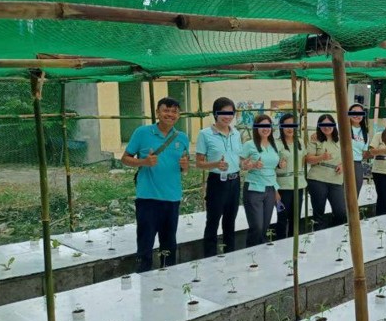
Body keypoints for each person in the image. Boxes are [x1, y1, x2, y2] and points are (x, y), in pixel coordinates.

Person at [120, 97, 190, 272]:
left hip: (172, 198)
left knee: (169, 245)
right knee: (145, 244)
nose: (170, 114)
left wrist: (185, 166)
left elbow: (184, 167)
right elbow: (125, 159)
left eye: (174, 111)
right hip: (148, 199)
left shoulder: (182, 138)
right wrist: (144, 162)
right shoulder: (142, 132)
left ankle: (169, 282)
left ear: (179, 115)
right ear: (158, 112)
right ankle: (144, 282)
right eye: (166, 110)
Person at [195, 97, 248, 257]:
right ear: (215, 114)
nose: (228, 117)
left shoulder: (236, 134)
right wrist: (215, 164)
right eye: (223, 113)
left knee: (230, 221)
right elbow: (199, 163)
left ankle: (229, 254)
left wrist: (246, 163)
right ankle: (209, 257)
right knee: (213, 221)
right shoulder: (205, 134)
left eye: (231, 113)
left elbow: (239, 158)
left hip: (234, 180)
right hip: (217, 182)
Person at [241, 114, 284, 247]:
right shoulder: (249, 144)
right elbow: (241, 164)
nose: (265, 129)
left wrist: (280, 164)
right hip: (254, 189)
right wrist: (252, 165)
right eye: (261, 126)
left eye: (268, 126)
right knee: (257, 227)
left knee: (265, 227)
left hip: (270, 190)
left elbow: (272, 168)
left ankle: (260, 257)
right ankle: (251, 254)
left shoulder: (274, 144)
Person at [306, 114, 346, 230]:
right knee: (319, 213)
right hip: (318, 179)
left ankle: (334, 232)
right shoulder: (315, 139)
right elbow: (308, 159)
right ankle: (319, 237)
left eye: (329, 124)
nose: (327, 127)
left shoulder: (341, 139)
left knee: (340, 211)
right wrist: (322, 157)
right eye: (323, 125)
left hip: (336, 179)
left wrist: (343, 165)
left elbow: (348, 157)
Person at [274, 113, 307, 239]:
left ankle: (294, 244)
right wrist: (278, 165)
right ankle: (280, 243)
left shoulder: (299, 142)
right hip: (282, 187)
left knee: (296, 218)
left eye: (293, 125)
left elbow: (303, 159)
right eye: (286, 125)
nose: (289, 128)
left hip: (298, 185)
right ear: (281, 127)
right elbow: (271, 165)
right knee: (282, 217)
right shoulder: (276, 144)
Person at [347, 103, 370, 196]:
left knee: (355, 192)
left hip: (357, 164)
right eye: (354, 112)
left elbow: (364, 153)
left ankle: (352, 210)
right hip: (342, 162)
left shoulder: (365, 133)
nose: (357, 115)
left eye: (360, 113)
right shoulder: (340, 126)